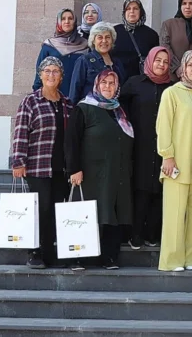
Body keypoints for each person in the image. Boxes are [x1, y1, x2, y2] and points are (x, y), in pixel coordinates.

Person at [65, 68, 134, 270]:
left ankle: (109, 257)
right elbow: (72, 141)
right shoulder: (84, 108)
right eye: (104, 82)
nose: (108, 87)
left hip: (115, 172)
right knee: (87, 214)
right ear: (96, 85)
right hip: (89, 173)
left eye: (112, 83)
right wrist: (73, 169)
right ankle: (78, 258)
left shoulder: (119, 110)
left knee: (111, 213)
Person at [11, 56, 73, 269]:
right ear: (40, 75)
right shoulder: (31, 101)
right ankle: (34, 252)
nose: (51, 75)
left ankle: (49, 252)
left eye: (55, 71)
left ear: (61, 76)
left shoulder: (67, 104)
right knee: (41, 209)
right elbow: (20, 132)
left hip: (60, 168)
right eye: (47, 71)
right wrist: (18, 161)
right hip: (37, 165)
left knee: (56, 209)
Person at [156, 51, 192, 272]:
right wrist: (167, 155)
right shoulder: (172, 93)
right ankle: (173, 260)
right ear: (183, 68)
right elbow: (163, 126)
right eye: (191, 66)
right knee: (175, 214)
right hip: (176, 164)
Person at [119, 46, 175, 250]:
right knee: (140, 190)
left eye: (165, 61)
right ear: (150, 61)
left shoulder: (173, 87)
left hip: (164, 147)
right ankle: (135, 234)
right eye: (158, 60)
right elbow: (119, 109)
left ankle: (153, 234)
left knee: (159, 190)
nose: (161, 64)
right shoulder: (135, 83)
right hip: (139, 145)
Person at [32, 9, 88, 97]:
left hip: (79, 97)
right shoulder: (49, 45)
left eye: (70, 18)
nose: (67, 21)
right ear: (59, 22)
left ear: (75, 21)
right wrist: (38, 95)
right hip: (53, 97)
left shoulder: (85, 45)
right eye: (63, 19)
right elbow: (40, 72)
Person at [68, 22, 125, 104]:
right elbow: (74, 91)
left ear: (112, 40)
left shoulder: (117, 63)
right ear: (93, 41)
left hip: (113, 111)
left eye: (107, 37)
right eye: (100, 37)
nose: (104, 41)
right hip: (89, 111)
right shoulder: (84, 61)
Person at [112, 0, 161, 80]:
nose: (132, 11)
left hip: (141, 80)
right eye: (128, 9)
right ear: (124, 12)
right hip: (117, 78)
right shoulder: (114, 32)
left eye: (135, 8)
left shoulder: (151, 34)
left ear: (141, 11)